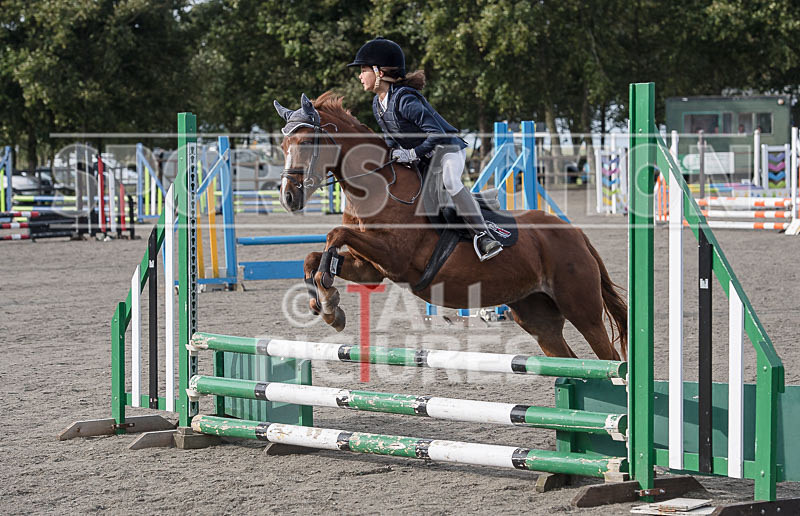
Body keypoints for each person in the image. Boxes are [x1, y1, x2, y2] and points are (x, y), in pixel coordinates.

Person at [347, 37, 502, 262]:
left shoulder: (405, 100)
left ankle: (484, 236)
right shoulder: (378, 105)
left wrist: (412, 153)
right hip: (424, 155)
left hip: (447, 150)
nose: (360, 76)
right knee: (423, 197)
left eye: (363, 70)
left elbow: (438, 134)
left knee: (450, 182)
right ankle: (480, 201)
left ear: (379, 72)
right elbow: (391, 140)